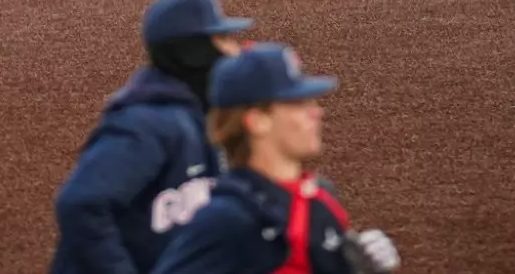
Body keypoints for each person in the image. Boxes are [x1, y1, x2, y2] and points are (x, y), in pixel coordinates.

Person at [50, 0, 253, 274]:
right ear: (193, 53)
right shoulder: (149, 123)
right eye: (222, 39)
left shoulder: (200, 114)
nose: (234, 50)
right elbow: (80, 204)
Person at [150, 44, 401, 274]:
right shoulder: (228, 219)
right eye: (298, 103)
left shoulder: (321, 200)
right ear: (257, 120)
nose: (316, 112)